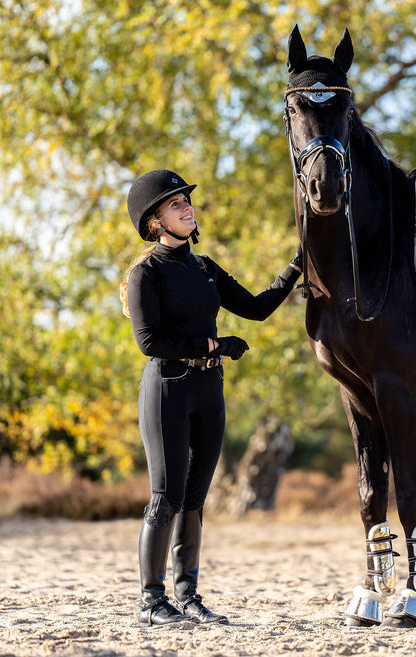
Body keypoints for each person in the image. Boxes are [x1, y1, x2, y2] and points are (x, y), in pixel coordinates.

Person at [120, 169, 302, 626]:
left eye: (186, 201)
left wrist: (299, 263)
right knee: (166, 496)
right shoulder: (147, 272)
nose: (187, 207)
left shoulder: (204, 268)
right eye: (175, 204)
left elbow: (257, 308)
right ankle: (151, 601)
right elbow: (148, 340)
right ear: (155, 221)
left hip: (209, 389)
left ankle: (188, 596)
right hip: (167, 388)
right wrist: (213, 345)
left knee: (196, 497)